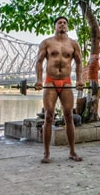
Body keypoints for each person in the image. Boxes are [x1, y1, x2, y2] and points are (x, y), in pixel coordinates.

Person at [34, 16, 84, 163]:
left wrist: (80, 80)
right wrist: (38, 80)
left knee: (69, 116)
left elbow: (79, 63)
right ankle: (47, 153)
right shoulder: (47, 43)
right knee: (49, 116)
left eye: (64, 23)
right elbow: (39, 62)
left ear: (67, 27)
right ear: (55, 26)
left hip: (67, 81)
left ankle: (72, 152)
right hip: (50, 81)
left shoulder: (73, 44)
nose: (62, 24)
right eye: (59, 23)